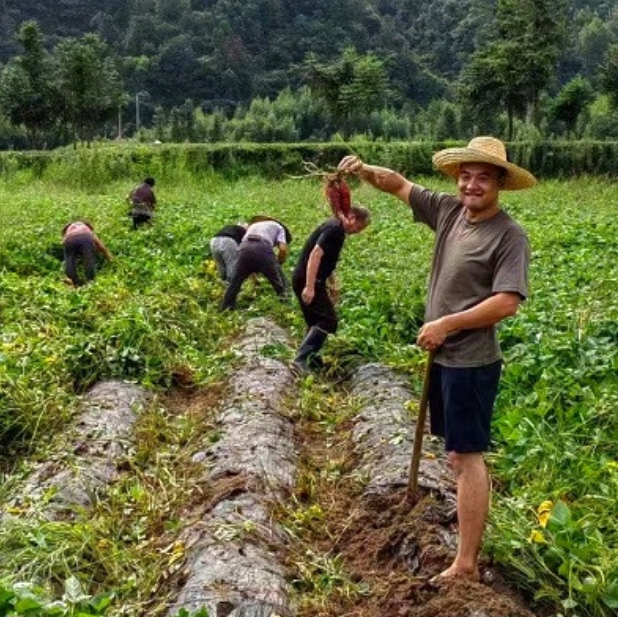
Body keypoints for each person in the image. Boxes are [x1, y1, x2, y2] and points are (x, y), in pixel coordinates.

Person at [338, 135, 534, 583]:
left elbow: (506, 302)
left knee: (467, 457)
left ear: (499, 184)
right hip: (444, 358)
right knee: (455, 455)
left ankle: (466, 563)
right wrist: (364, 171)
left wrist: (447, 324)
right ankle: (464, 535)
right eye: (465, 176)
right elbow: (398, 184)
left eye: (482, 178)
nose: (471, 185)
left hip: (471, 362)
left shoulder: (508, 235)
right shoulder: (449, 212)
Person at [290, 206, 371, 373]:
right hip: (308, 279)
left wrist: (332, 283)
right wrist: (310, 286)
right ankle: (301, 359)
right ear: (352, 217)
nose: (357, 232)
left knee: (315, 320)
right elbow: (316, 254)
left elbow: (326, 259)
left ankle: (312, 357)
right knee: (328, 320)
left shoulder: (334, 226)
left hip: (307, 278)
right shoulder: (335, 230)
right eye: (359, 227)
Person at [220, 217, 291, 310]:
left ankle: (227, 307)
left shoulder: (254, 225)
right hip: (262, 247)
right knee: (277, 280)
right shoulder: (280, 228)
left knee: (236, 281)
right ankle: (286, 304)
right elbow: (282, 249)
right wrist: (279, 262)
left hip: (244, 248)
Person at [62, 220, 114, 287]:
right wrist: (108, 256)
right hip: (85, 237)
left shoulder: (69, 229)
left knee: (69, 260)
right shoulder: (86, 228)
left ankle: (73, 281)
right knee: (89, 259)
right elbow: (99, 244)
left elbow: (64, 243)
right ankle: (90, 281)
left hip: (69, 239)